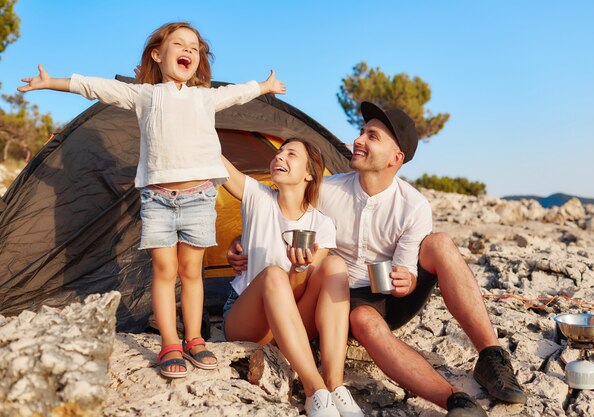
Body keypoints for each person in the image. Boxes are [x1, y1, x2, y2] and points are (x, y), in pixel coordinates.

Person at [18, 21, 286, 379]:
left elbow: (237, 93)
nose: (189, 50)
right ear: (158, 55)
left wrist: (264, 86)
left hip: (199, 197)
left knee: (192, 272)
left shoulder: (204, 97)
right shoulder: (145, 94)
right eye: (180, 44)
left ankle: (194, 339)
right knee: (164, 272)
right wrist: (52, 82)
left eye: (195, 46)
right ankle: (170, 343)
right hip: (158, 199)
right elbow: (99, 87)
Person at [228, 102, 528, 416]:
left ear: (395, 158)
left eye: (372, 136)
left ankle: (492, 356)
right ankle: (456, 401)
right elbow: (283, 210)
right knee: (361, 316)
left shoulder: (413, 205)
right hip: (343, 295)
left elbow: (407, 270)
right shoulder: (326, 190)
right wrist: (243, 242)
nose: (359, 140)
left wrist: (407, 281)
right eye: (361, 132)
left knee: (439, 243)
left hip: (395, 293)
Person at [220, 138, 364, 417]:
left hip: (292, 322)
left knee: (335, 266)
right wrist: (196, 108)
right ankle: (315, 390)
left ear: (309, 173)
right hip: (248, 323)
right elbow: (217, 160)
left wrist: (299, 270)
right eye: (278, 153)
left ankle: (335, 385)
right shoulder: (257, 197)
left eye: (291, 154)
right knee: (274, 275)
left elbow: (301, 291)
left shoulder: (321, 224)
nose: (280, 157)